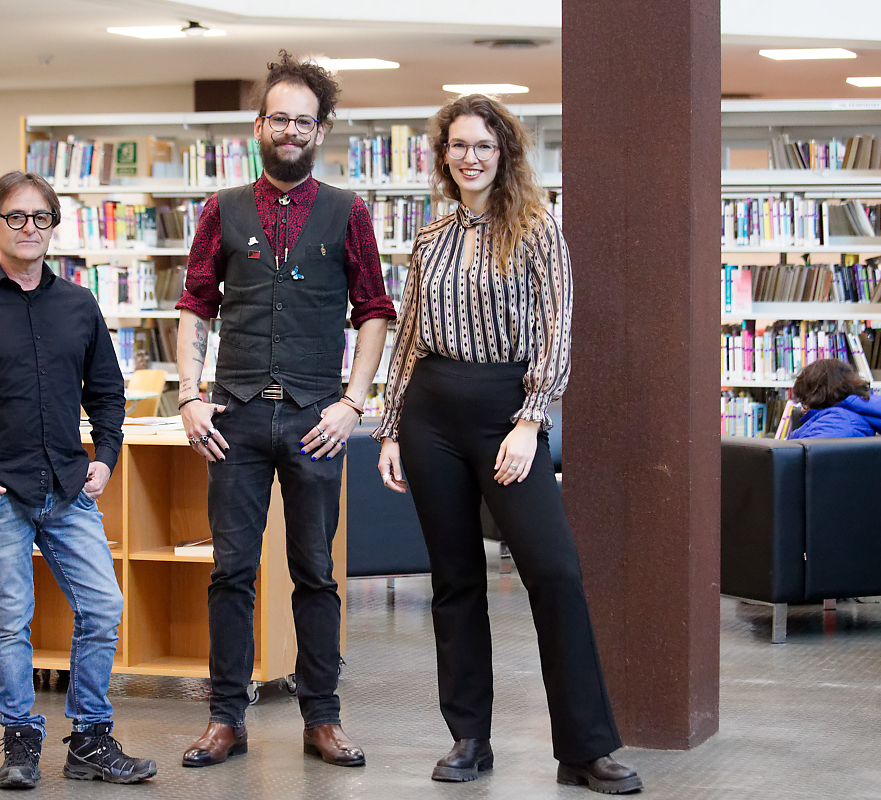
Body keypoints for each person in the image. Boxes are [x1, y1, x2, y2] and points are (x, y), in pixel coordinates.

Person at [374, 95, 642, 793]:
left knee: (554, 573)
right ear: (443, 156)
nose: (469, 157)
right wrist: (392, 427)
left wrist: (530, 421)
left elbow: (558, 329)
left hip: (505, 411)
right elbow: (407, 338)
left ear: (505, 155)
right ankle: (469, 738)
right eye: (458, 146)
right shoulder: (429, 239)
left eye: (483, 146)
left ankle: (584, 748)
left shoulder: (536, 229)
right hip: (430, 413)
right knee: (455, 581)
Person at [175, 51, 395, 769]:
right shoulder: (221, 209)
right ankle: (225, 718)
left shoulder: (347, 211)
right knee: (230, 571)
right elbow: (194, 306)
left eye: (304, 120)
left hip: (314, 425)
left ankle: (322, 719)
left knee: (315, 574)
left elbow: (375, 312)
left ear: (321, 129)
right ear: (260, 123)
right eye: (280, 118)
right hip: (233, 418)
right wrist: (188, 393)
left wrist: (353, 403)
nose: (291, 130)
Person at [0, 171, 156, 790]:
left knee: (103, 606)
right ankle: (19, 741)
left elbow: (109, 393)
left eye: (40, 218)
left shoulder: (77, 305)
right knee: (9, 619)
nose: (28, 229)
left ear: (53, 228)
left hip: (69, 488)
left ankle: (90, 740)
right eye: (15, 218)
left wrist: (106, 456)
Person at [789, 357, 881, 438]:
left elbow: (797, 462)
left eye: (805, 401)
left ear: (820, 396)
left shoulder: (837, 423)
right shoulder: (850, 417)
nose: (803, 409)